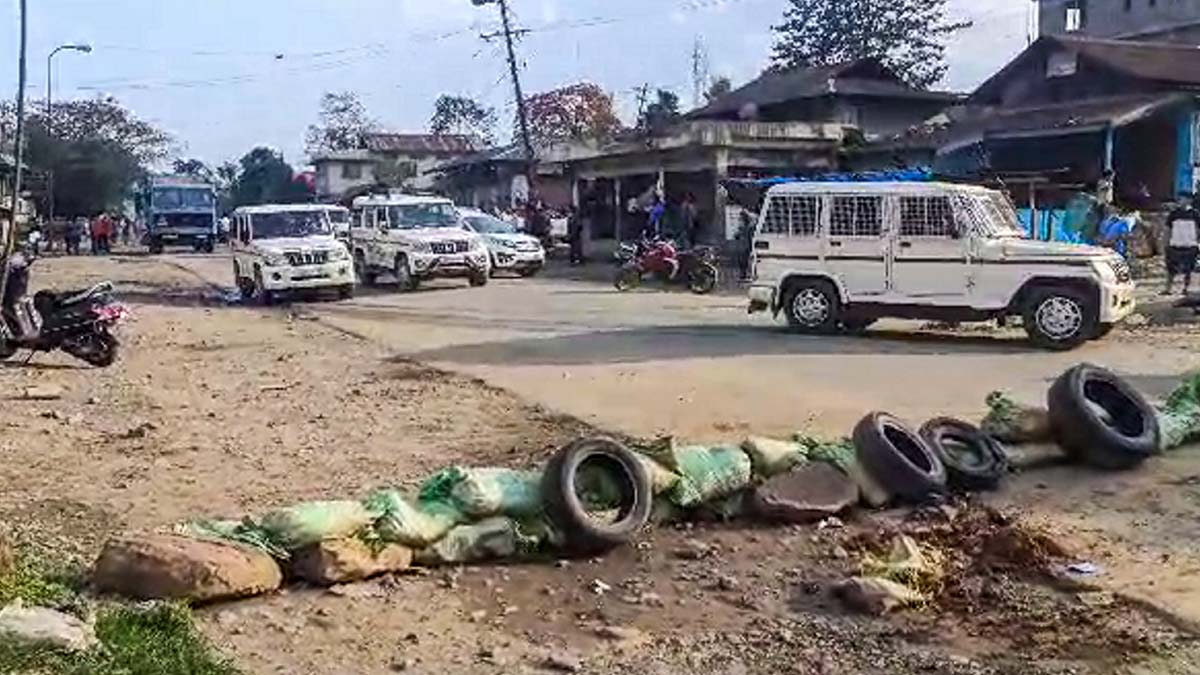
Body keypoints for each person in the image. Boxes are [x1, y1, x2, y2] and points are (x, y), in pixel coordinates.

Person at [1165, 195, 1199, 296]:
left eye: (1183, 199)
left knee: (1188, 269)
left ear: (1189, 200)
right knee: (1171, 269)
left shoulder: (1195, 214)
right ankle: (1168, 289)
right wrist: (1166, 243)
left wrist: (1197, 242)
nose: (1181, 201)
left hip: (1190, 245)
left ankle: (1186, 288)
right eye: (1180, 199)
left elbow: (1199, 229)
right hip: (1175, 244)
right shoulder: (1174, 214)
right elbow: (1168, 230)